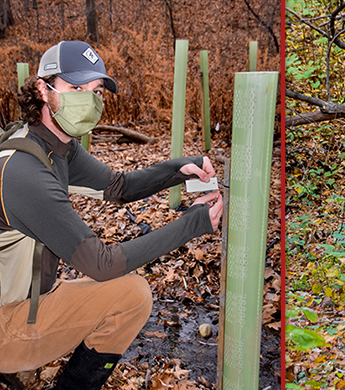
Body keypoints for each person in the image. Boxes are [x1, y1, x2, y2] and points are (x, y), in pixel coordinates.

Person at [0, 41, 223, 389]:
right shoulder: (23, 171)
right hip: (4, 323)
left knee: (125, 292)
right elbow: (100, 263)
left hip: (23, 299)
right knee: (130, 297)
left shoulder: (53, 145)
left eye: (97, 91)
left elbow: (120, 187)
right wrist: (192, 224)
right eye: (76, 88)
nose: (89, 100)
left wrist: (180, 169)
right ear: (43, 89)